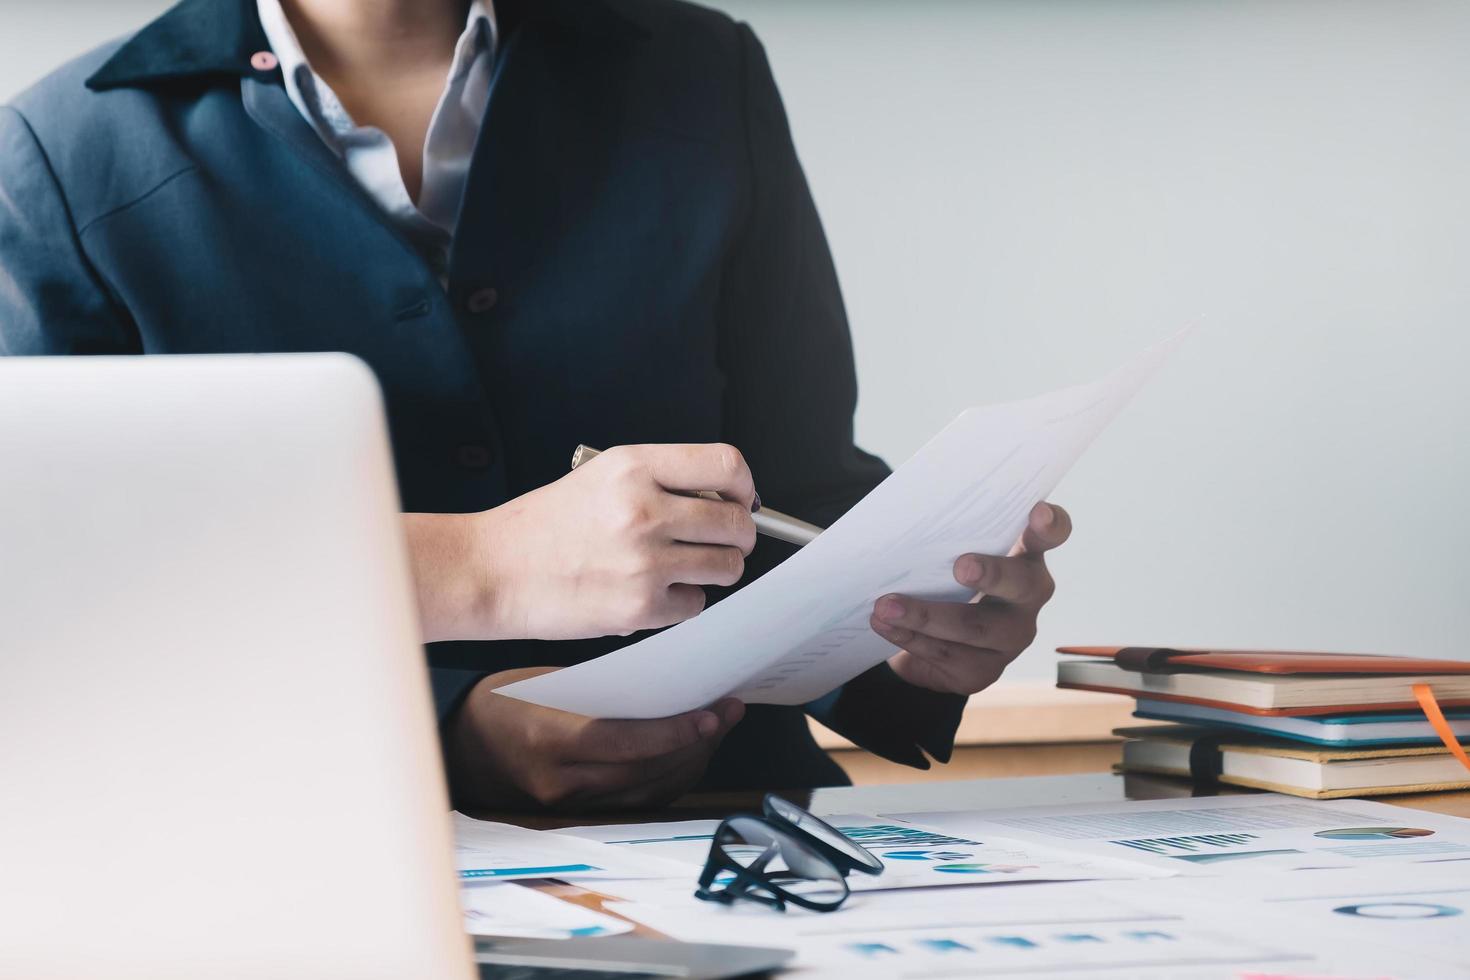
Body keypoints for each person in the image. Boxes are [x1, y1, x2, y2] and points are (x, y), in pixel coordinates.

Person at [0, 0, 1072, 810]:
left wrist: (911, 625)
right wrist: (449, 723)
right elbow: (62, 606)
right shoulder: (61, 156)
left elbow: (796, 489)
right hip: (301, 846)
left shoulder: (703, 72)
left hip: (729, 833)